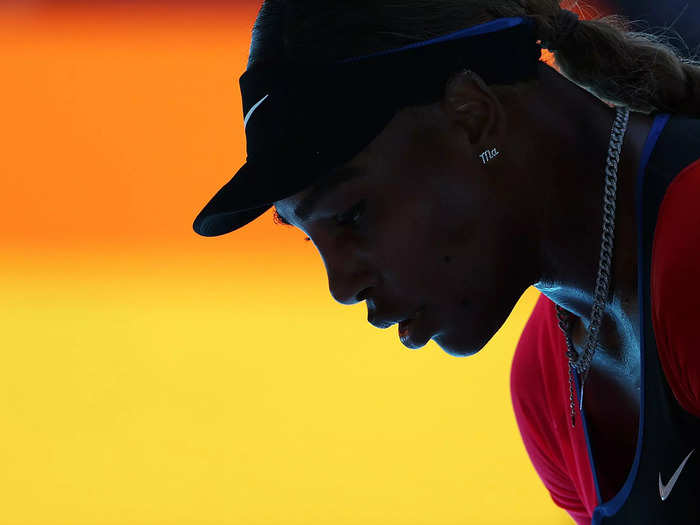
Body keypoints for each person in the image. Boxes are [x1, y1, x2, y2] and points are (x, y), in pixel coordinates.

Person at [192, 1, 700, 523]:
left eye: (352, 215)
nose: (341, 285)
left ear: (472, 116)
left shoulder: (690, 251)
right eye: (308, 238)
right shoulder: (545, 385)